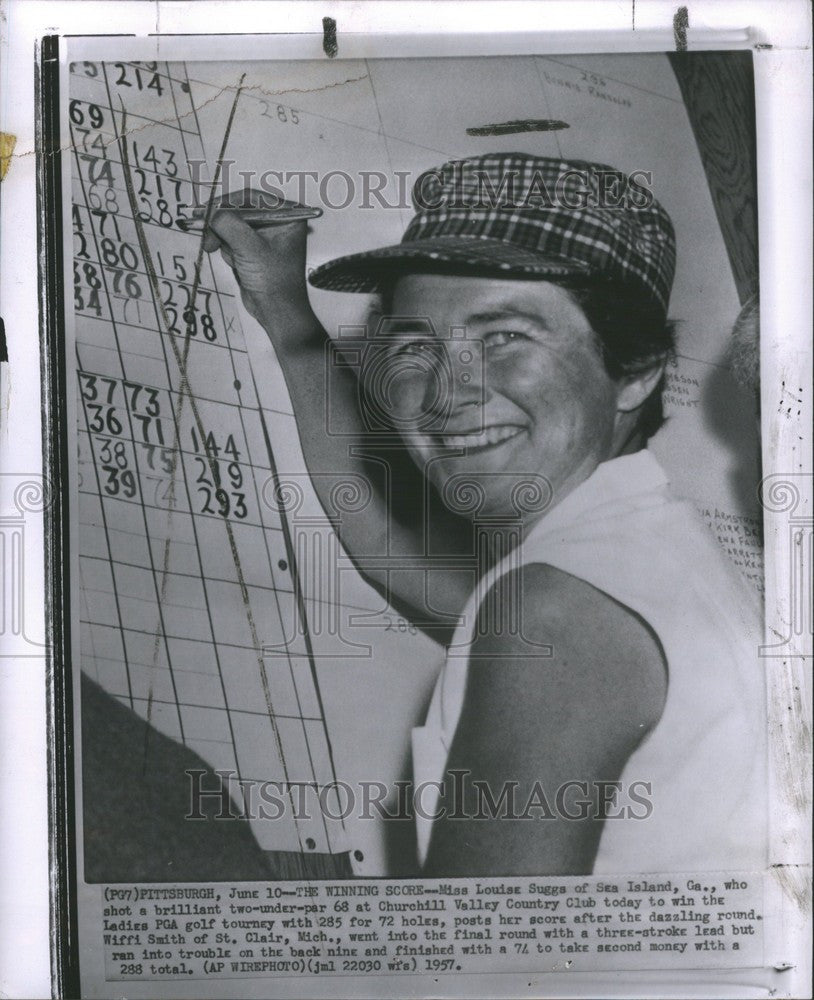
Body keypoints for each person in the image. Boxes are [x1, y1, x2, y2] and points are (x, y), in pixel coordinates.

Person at [205, 153, 766, 877]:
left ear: (635, 370)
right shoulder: (634, 556)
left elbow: (488, 971)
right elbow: (386, 544)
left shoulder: (559, 609)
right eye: (416, 346)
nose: (446, 393)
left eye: (503, 338)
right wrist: (287, 313)